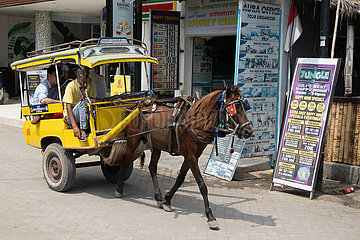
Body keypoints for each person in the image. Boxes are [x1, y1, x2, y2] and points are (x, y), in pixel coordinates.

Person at [62, 67, 94, 141]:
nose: (86, 73)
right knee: (83, 102)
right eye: (83, 71)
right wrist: (75, 126)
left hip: (84, 114)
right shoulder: (71, 86)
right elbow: (68, 107)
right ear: (76, 73)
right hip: (71, 117)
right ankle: (83, 129)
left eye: (87, 71)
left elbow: (92, 101)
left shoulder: (89, 85)